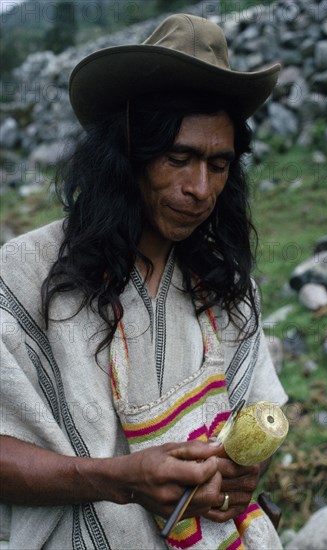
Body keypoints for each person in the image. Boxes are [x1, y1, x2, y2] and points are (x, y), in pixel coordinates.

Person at [0, 13, 288, 550]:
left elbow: (250, 420)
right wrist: (119, 480)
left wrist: (246, 475)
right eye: (179, 158)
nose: (200, 189)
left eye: (219, 165)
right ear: (126, 153)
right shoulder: (24, 274)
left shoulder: (227, 288)